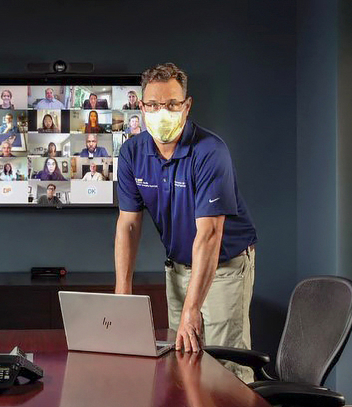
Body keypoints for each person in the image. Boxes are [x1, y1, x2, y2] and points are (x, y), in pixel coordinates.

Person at [114, 63, 257, 383]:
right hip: (178, 266)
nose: (161, 112)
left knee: (225, 364)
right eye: (152, 105)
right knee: (184, 360)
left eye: (171, 104)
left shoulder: (210, 152)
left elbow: (210, 233)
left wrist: (193, 308)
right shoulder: (131, 153)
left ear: (186, 106)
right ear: (141, 106)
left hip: (224, 264)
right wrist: (122, 293)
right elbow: (128, 225)